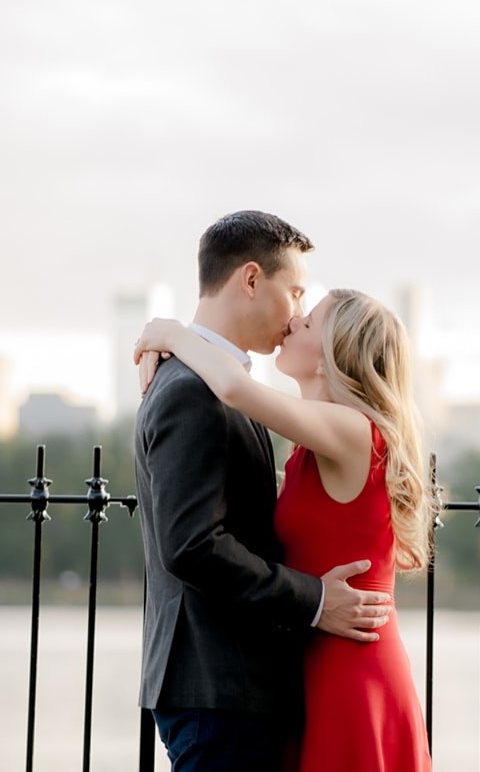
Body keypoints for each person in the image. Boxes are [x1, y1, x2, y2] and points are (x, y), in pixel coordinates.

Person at [132, 210, 395, 772]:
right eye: (295, 292)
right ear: (251, 280)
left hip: (262, 685)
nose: (297, 314)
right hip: (219, 687)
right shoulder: (193, 391)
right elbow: (192, 544)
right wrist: (314, 600)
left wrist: (169, 333)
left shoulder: (223, 388)